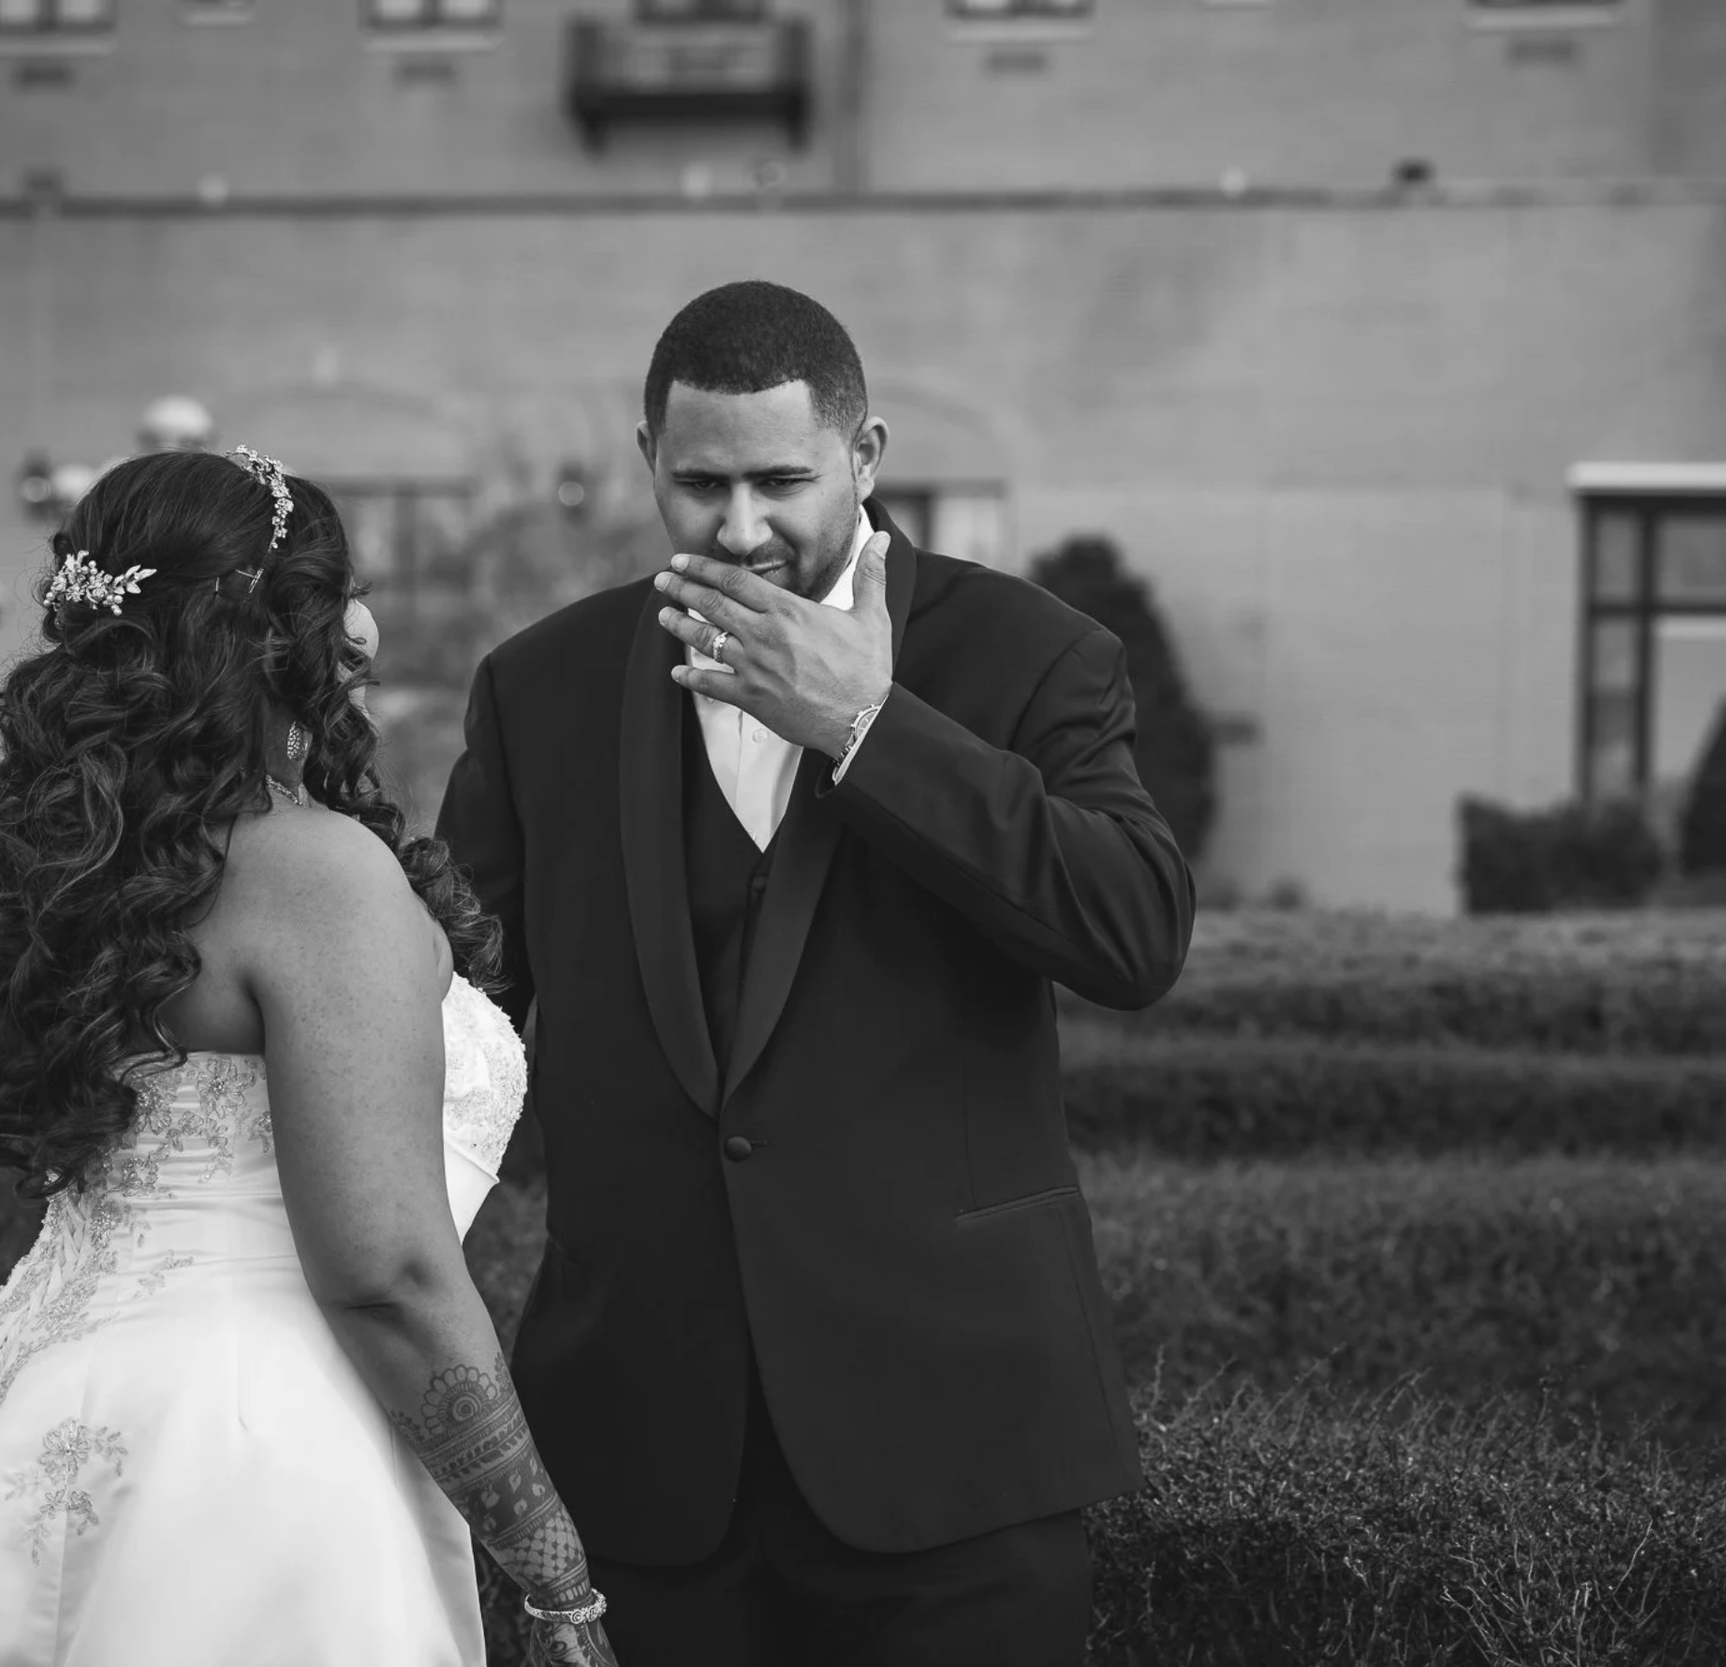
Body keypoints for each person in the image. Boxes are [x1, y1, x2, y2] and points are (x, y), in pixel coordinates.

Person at [435, 279, 1196, 1664]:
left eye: (782, 481)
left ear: (867, 453)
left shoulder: (1029, 653)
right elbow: (452, 1035)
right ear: (648, 459)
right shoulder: (537, 687)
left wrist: (870, 726)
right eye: (699, 483)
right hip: (646, 1462)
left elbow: (1135, 928)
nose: (741, 528)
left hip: (960, 1454)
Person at [0, 447, 616, 1667]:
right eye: (342, 586)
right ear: (282, 623)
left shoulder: (104, 870)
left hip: (22, 1395)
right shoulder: (318, 874)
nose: (367, 621)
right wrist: (554, 1572)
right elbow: (386, 1267)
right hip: (248, 1449)